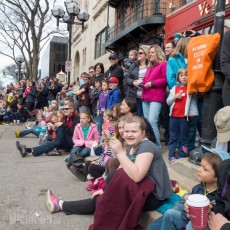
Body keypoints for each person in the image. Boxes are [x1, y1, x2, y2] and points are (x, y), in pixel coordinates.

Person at [46, 116, 171, 229]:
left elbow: (137, 176)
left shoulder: (147, 146)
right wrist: (106, 188)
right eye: (126, 131)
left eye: (134, 131)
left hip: (153, 196)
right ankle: (62, 205)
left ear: (143, 133)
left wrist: (120, 152)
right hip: (138, 188)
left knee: (105, 199)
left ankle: (61, 205)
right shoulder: (131, 146)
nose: (128, 134)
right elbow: (120, 169)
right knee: (107, 189)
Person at [147, 152, 222, 230]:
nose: (199, 169)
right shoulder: (197, 188)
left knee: (190, 226)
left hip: (205, 225)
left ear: (217, 177)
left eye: (205, 169)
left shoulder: (220, 196)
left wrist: (212, 209)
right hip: (188, 220)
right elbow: (186, 214)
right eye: (200, 165)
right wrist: (187, 210)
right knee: (169, 213)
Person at [167, 67, 198, 163]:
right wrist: (174, 98)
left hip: (184, 118)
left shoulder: (191, 88)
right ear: (178, 78)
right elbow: (168, 101)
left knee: (184, 138)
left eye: (186, 75)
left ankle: (182, 154)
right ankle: (171, 155)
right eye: (181, 75)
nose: (184, 77)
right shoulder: (174, 89)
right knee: (173, 137)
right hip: (173, 117)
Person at [141, 45, 167, 149]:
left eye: (152, 52)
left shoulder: (163, 64)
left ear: (158, 53)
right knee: (147, 123)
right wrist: (140, 82)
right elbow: (146, 81)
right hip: (146, 96)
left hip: (156, 96)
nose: (150, 54)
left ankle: (157, 147)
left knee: (152, 121)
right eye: (149, 53)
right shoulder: (149, 67)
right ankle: (150, 146)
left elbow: (166, 79)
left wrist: (152, 83)